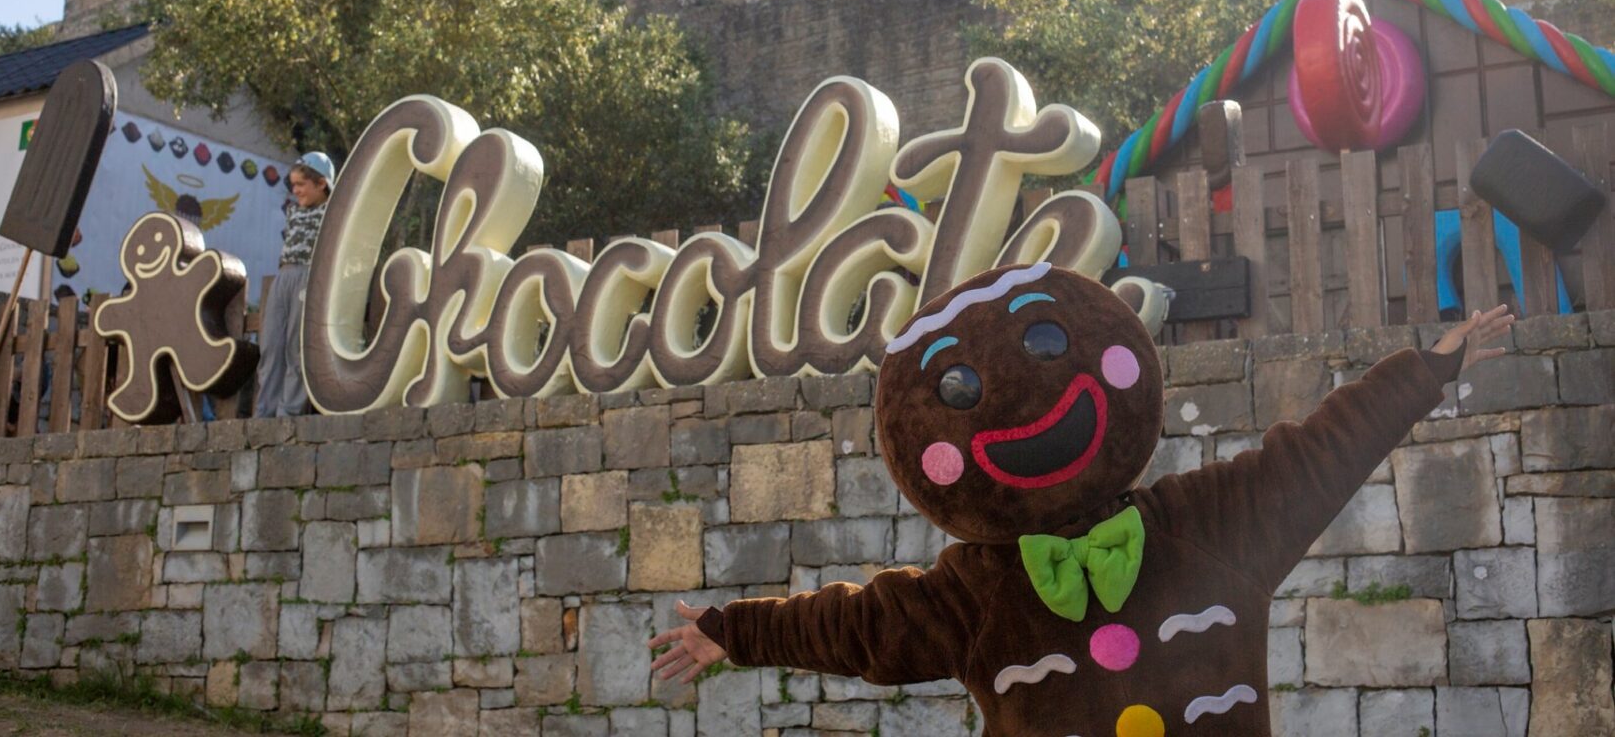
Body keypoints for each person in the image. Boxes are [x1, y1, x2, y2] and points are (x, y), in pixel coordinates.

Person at [648, 263, 1513, 737]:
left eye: (1049, 340)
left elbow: (1325, 450)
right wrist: (736, 630)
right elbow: (855, 628)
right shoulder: (970, 593)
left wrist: (1429, 371)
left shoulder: (1210, 527)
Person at [253, 152, 334, 418]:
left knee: (296, 346)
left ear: (321, 184)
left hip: (308, 275)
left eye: (301, 184)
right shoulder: (295, 211)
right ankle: (265, 410)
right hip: (284, 275)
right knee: (271, 344)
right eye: (293, 184)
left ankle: (288, 411)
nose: (296, 190)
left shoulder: (331, 211)